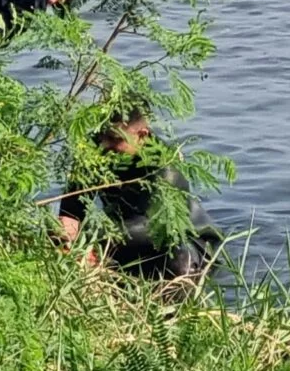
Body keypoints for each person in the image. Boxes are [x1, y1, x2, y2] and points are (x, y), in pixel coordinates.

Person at [56, 112, 221, 282]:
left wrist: (91, 237)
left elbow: (152, 226)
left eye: (114, 139)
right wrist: (69, 238)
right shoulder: (94, 152)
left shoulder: (165, 169)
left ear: (141, 136)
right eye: (102, 135)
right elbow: (72, 211)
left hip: (180, 242)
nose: (104, 144)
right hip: (124, 236)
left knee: (181, 261)